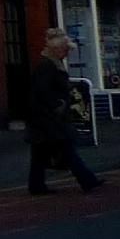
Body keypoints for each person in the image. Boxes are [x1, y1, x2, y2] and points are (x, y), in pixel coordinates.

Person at [27, 28, 102, 195]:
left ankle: (36, 185)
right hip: (50, 119)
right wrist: (58, 105)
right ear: (58, 49)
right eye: (66, 49)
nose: (68, 52)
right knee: (66, 149)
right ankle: (88, 180)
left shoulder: (49, 64)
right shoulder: (48, 66)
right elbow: (42, 90)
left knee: (41, 154)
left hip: (44, 119)